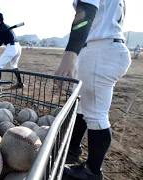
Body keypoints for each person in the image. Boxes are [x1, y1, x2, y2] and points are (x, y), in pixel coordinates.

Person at [54, 0, 131, 179]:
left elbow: (86, 10)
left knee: (96, 115)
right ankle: (72, 149)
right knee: (82, 107)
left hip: (100, 49)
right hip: (104, 48)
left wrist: (70, 52)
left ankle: (92, 172)